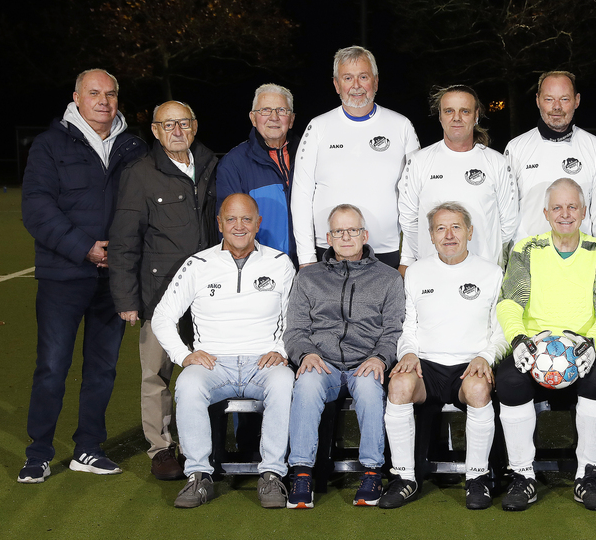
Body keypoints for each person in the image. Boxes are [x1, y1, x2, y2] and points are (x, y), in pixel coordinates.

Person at [18, 69, 146, 483]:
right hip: (64, 274)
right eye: (94, 93)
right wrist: (84, 247)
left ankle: (88, 448)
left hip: (114, 278)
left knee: (103, 368)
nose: (103, 101)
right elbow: (37, 208)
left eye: (110, 93)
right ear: (77, 97)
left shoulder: (134, 147)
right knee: (52, 366)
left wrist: (123, 252)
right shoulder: (50, 144)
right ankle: (38, 452)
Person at [151, 194, 296, 508]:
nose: (238, 226)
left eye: (246, 219)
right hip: (214, 364)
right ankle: (198, 476)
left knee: (284, 382)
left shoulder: (279, 263)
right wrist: (183, 355)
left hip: (263, 362)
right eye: (231, 219)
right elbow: (162, 316)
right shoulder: (198, 264)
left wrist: (281, 349)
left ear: (258, 223)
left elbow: (294, 316)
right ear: (219, 224)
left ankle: (272, 474)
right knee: (188, 384)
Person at [495, 178, 596, 511]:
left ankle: (588, 476)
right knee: (508, 380)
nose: (565, 214)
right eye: (557, 207)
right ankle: (522, 476)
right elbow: (510, 302)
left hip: (583, 350)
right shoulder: (527, 249)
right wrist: (518, 339)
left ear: (583, 211)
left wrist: (592, 343)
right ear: (545, 213)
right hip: (533, 350)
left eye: (572, 207)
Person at [109, 99, 218, 481]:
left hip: (206, 296)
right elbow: (124, 241)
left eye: (183, 123)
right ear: (155, 130)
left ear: (195, 126)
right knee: (157, 375)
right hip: (159, 296)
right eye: (167, 124)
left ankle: (198, 447)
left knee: (205, 370)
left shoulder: (211, 165)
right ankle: (161, 449)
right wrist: (127, 299)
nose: (176, 130)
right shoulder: (139, 174)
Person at [381, 202, 506, 509]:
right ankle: (404, 477)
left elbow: (501, 332)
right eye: (440, 228)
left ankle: (477, 478)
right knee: (399, 384)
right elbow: (407, 326)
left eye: (456, 227)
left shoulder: (492, 273)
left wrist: (485, 357)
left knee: (478, 389)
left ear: (470, 232)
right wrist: (408, 353)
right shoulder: (416, 273)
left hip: (470, 364)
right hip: (427, 365)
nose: (449, 235)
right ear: (431, 236)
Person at [284, 204, 405, 509]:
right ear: (328, 238)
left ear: (365, 235)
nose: (346, 237)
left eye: (353, 230)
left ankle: (372, 472)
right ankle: (302, 474)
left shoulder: (389, 278)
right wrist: (306, 354)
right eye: (339, 231)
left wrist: (379, 358)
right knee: (306, 384)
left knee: (369, 388)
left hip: (365, 361)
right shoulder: (308, 278)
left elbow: (394, 330)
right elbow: (295, 329)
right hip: (321, 362)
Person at [291, 46, 419, 269]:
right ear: (336, 84)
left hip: (385, 253)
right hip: (328, 252)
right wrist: (306, 257)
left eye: (363, 77)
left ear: (376, 81)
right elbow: (301, 194)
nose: (356, 85)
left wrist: (408, 258)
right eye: (348, 78)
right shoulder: (318, 127)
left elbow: (416, 196)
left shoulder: (401, 126)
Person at [397, 85, 517, 271]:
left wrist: (484, 253)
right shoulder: (419, 162)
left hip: (483, 272)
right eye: (449, 111)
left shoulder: (497, 162)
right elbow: (409, 220)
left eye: (465, 111)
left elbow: (508, 223)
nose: (457, 117)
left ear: (476, 115)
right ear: (440, 116)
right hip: (433, 271)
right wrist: (430, 254)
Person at [504, 71, 596, 245]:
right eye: (549, 99)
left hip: (580, 256)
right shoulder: (516, 148)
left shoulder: (593, 147)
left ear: (577, 100)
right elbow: (506, 214)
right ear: (538, 100)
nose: (556, 107)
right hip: (530, 256)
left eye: (564, 99)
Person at [216, 83, 300, 263]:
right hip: (261, 267)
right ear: (253, 118)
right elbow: (229, 227)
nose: (274, 117)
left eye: (282, 110)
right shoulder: (233, 164)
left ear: (291, 119)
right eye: (265, 110)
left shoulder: (309, 156)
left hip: (308, 264)